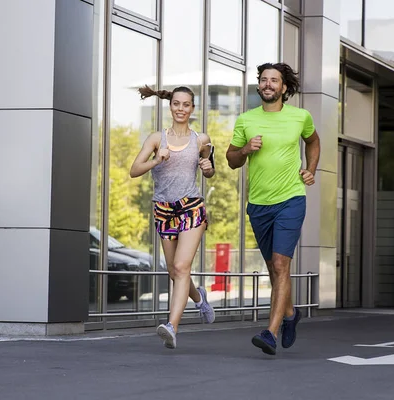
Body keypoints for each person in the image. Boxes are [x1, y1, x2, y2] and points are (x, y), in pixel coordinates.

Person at [226, 63, 320, 355]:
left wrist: (311, 168)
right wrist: (244, 150)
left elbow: (313, 141)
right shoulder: (245, 119)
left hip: (291, 199)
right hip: (259, 205)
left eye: (274, 80)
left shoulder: (300, 117)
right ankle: (291, 314)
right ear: (259, 86)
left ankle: (271, 332)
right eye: (264, 80)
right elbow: (231, 160)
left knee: (281, 265)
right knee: (273, 268)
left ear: (283, 87)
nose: (268, 84)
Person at [130, 85, 216, 349]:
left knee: (181, 266)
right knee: (174, 270)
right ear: (171, 107)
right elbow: (134, 170)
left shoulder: (200, 139)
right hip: (164, 209)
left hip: (191, 206)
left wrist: (208, 166)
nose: (181, 109)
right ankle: (199, 298)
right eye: (176, 104)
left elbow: (210, 170)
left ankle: (172, 327)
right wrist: (157, 160)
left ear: (192, 108)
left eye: (186, 105)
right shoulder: (157, 138)